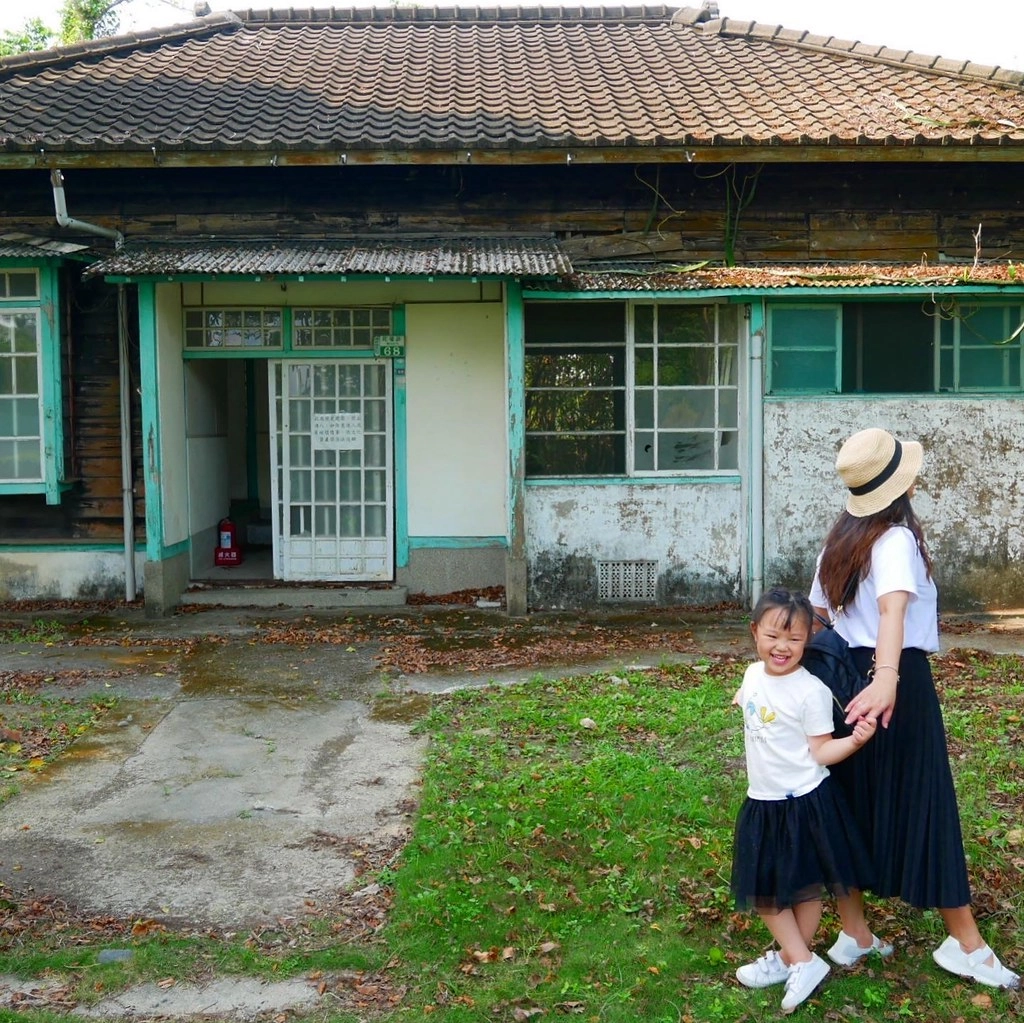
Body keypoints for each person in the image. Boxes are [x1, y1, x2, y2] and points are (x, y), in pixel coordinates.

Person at [810, 427, 1019, 990]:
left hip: (844, 678)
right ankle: (965, 945)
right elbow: (893, 613)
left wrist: (839, 675)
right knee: (924, 801)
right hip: (892, 678)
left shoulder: (841, 539)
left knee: (850, 801)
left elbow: (820, 615)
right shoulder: (896, 538)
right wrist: (887, 679)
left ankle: (855, 933)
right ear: (903, 485)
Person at [731, 587, 879, 1014]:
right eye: (773, 636)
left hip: (803, 802)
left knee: (803, 889)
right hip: (763, 799)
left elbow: (821, 751)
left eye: (794, 639)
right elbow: (752, 695)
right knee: (765, 888)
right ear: (755, 632)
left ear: (807, 640)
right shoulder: (751, 675)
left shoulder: (810, 691)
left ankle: (797, 959)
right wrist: (742, 697)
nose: (782, 647)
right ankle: (796, 959)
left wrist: (855, 741)